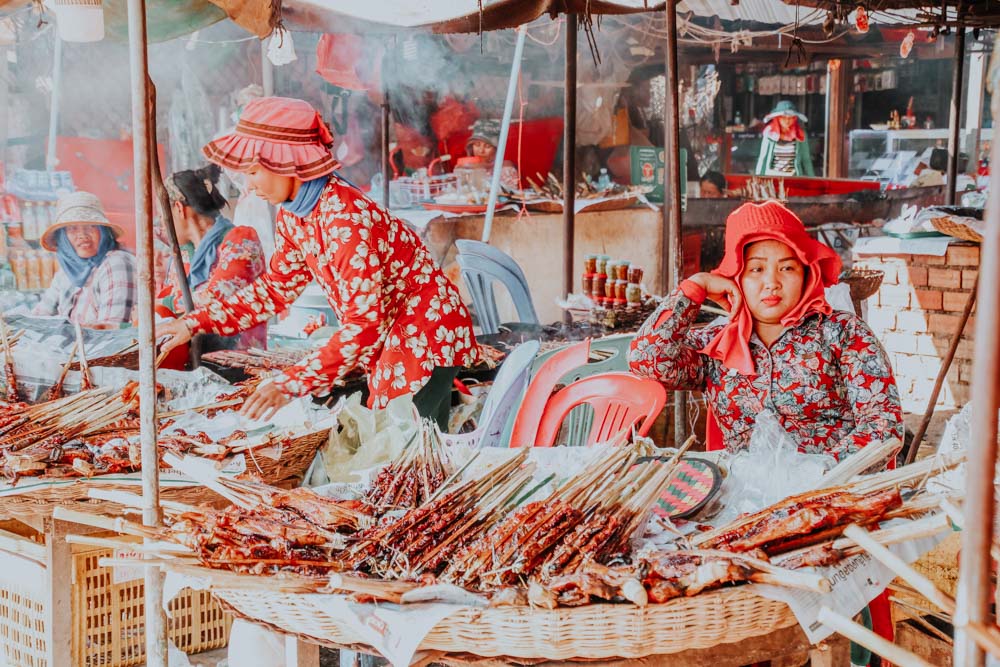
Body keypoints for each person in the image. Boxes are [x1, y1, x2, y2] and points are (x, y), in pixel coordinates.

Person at [158, 96, 480, 425]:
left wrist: (289, 384)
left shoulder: (344, 217)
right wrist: (192, 323)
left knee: (406, 446)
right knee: (390, 441)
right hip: (389, 335)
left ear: (286, 162)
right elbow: (274, 290)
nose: (251, 187)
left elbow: (363, 325)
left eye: (254, 172)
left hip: (423, 333)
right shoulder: (292, 216)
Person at [628, 200, 902, 461]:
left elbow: (883, 427)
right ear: (736, 278)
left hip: (829, 495)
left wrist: (822, 470)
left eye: (787, 267)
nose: (772, 282)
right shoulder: (718, 345)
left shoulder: (844, 334)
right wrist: (695, 287)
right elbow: (645, 359)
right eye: (756, 269)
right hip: (745, 499)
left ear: (807, 274)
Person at [159, 164, 267, 351]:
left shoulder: (241, 240)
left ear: (178, 209)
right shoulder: (183, 255)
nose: (161, 223)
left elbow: (217, 299)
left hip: (238, 364)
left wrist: (164, 303)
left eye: (162, 216)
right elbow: (167, 303)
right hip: (195, 362)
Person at [33, 191, 136, 328]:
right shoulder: (66, 273)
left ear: (103, 232)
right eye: (72, 229)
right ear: (63, 238)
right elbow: (39, 318)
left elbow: (110, 333)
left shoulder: (117, 263)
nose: (82, 235)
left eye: (90, 226)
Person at [755, 101, 815, 177]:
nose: (787, 121)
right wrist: (758, 178)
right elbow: (763, 157)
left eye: (790, 118)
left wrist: (813, 179)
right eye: (783, 118)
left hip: (793, 178)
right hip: (772, 177)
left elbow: (806, 159)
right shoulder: (770, 133)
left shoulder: (800, 134)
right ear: (777, 118)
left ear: (794, 119)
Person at [466, 119, 519, 190]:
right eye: (477, 145)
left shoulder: (506, 169)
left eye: (487, 146)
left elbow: (508, 196)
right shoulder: (466, 168)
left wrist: (487, 166)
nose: (481, 151)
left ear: (496, 148)